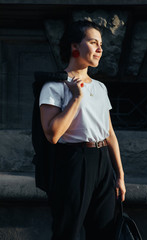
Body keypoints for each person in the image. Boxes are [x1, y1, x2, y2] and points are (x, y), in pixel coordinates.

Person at [39, 20, 126, 240]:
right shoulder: (54, 86)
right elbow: (53, 134)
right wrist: (76, 98)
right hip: (73, 161)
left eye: (101, 44)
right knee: (69, 232)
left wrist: (120, 175)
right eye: (93, 42)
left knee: (105, 231)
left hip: (102, 162)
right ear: (74, 47)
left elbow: (109, 134)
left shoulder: (100, 87)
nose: (100, 49)